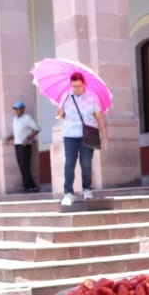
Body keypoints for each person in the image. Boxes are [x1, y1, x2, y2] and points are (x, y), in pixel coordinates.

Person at [55, 71, 106, 206]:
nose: (77, 89)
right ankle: (68, 193)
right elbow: (61, 115)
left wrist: (104, 135)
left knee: (86, 163)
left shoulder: (92, 97)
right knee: (69, 163)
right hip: (70, 135)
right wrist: (60, 113)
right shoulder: (66, 96)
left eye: (79, 86)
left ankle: (87, 189)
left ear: (84, 84)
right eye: (74, 86)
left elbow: (99, 117)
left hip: (87, 135)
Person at [6, 101, 41, 193]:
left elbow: (37, 129)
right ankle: (28, 186)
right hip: (17, 144)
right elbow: (16, 132)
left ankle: (29, 186)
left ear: (23, 109)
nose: (16, 111)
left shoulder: (27, 118)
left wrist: (28, 138)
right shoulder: (15, 119)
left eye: (18, 109)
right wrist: (10, 137)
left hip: (25, 145)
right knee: (21, 166)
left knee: (25, 166)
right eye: (15, 109)